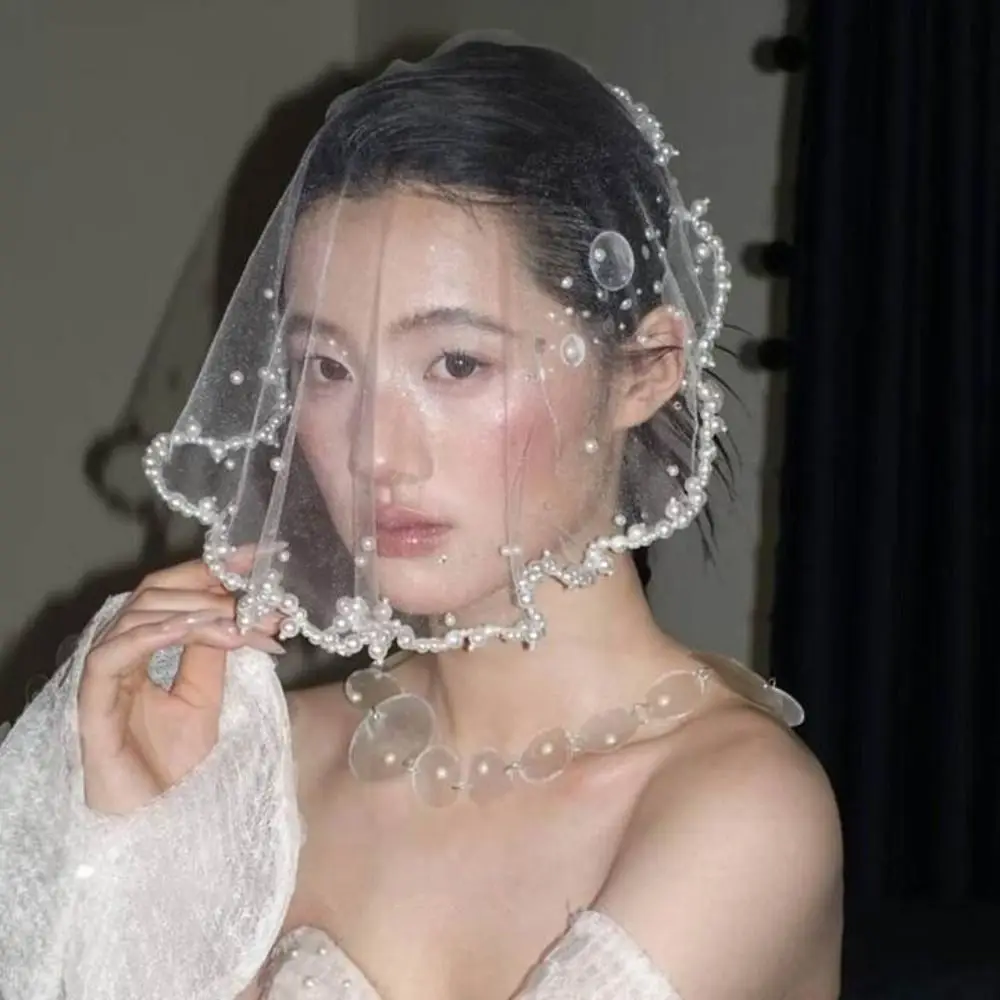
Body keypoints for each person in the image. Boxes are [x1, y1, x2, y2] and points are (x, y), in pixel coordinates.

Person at [0, 37, 842, 1000]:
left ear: (645, 371)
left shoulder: (740, 808)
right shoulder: (257, 768)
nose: (373, 453)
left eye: (456, 364)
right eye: (326, 368)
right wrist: (137, 850)